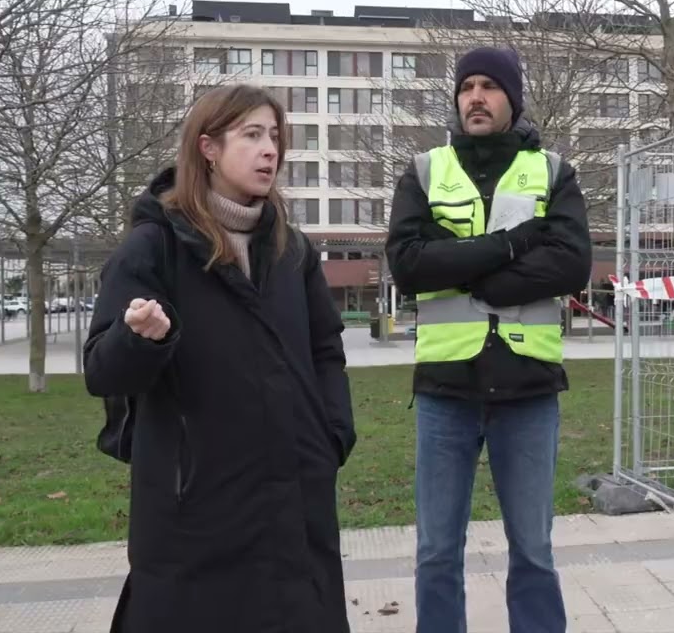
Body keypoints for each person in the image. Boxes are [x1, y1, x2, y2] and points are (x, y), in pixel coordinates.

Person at [83, 84, 357, 633]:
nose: (270, 150)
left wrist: (331, 436)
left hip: (295, 498)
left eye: (275, 136)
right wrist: (139, 339)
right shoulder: (153, 246)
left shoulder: (293, 250)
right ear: (208, 148)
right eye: (252, 135)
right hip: (197, 507)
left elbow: (326, 350)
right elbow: (101, 372)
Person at [384, 46, 592, 633]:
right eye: (466, 87)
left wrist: (477, 276)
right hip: (445, 391)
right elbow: (409, 264)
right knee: (436, 551)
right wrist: (512, 244)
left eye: (489, 86)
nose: (475, 97)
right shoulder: (425, 171)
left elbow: (572, 263)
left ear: (513, 98)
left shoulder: (553, 171)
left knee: (533, 550)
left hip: (528, 390)